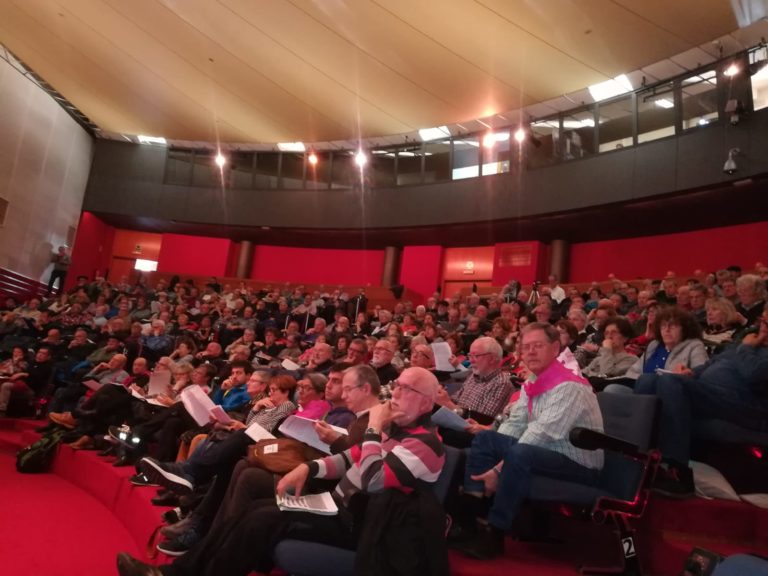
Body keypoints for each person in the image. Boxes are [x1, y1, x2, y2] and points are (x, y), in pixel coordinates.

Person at [117, 366, 445, 576]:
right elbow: (349, 459)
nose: (396, 394)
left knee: (263, 518)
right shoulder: (395, 431)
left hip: (365, 529)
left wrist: (374, 427)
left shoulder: (427, 444)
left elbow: (374, 481)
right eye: (397, 386)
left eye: (407, 390)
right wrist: (307, 467)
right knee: (255, 508)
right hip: (339, 509)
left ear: (427, 403)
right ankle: (174, 573)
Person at [454, 323, 603, 560]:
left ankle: (495, 533)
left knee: (521, 453)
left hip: (579, 464)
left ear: (555, 348)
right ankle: (471, 518)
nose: (530, 352)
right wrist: (498, 454)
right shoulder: (534, 380)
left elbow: (540, 435)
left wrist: (497, 469)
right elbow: (516, 424)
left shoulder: (570, 385)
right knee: (486, 438)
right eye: (525, 347)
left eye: (537, 346)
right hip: (543, 452)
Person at [633, 303, 768, 497]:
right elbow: (712, 363)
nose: (762, 326)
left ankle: (677, 471)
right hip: (711, 394)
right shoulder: (747, 343)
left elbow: (755, 374)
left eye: (767, 323)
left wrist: (746, 348)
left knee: (672, 383)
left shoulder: (749, 346)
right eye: (762, 320)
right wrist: (691, 373)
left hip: (744, 405)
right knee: (648, 380)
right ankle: (639, 459)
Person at [623, 307, 707, 384]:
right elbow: (632, 371)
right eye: (663, 326)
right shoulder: (654, 345)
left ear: (685, 328)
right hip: (642, 389)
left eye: (673, 325)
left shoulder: (694, 346)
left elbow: (702, 375)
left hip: (669, 391)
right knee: (614, 388)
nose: (667, 330)